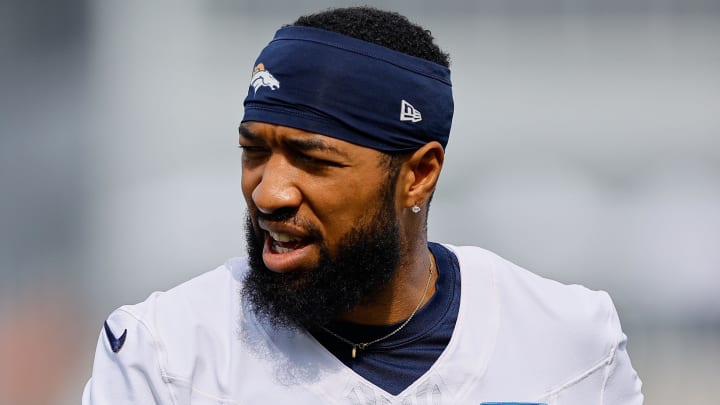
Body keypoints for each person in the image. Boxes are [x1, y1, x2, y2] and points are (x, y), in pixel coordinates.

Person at [83, 7, 643, 404]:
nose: (268, 193)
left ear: (419, 175)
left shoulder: (568, 338)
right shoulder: (166, 351)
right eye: (254, 151)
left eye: (313, 160)